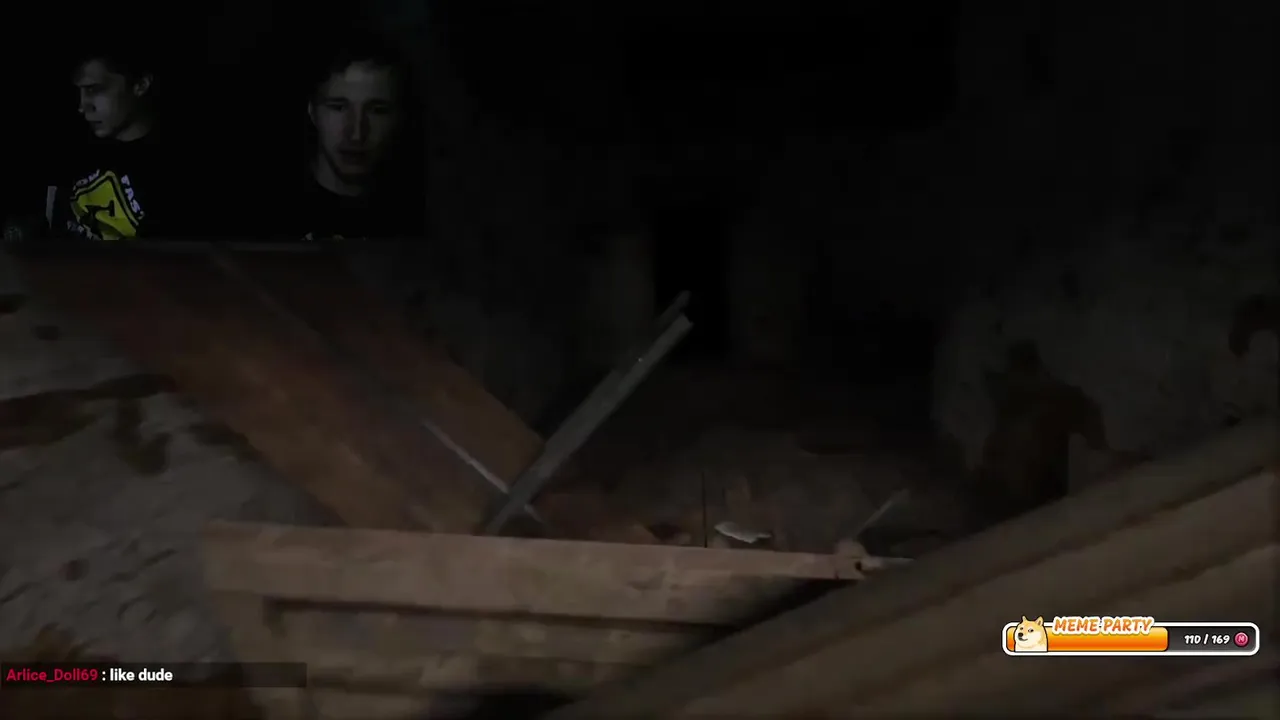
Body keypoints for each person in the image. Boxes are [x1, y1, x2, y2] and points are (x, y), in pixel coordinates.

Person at [40, 39, 193, 242]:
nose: (82, 106)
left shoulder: (174, 171)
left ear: (140, 85)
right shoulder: (72, 145)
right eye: (80, 92)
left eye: (94, 90)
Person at [281, 30, 426, 240]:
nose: (356, 134)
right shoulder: (264, 213)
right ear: (312, 112)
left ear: (399, 117)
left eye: (377, 110)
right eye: (338, 107)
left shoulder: (424, 218)